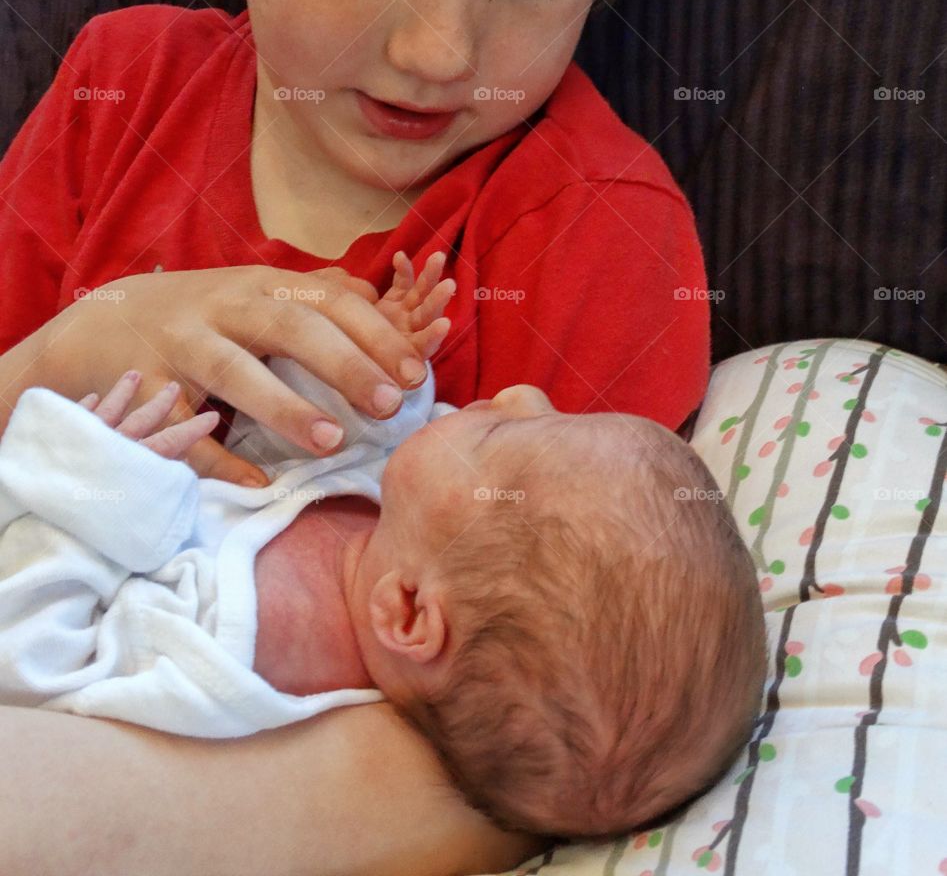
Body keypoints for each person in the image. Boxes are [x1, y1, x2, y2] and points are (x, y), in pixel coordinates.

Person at [0, 0, 735, 869]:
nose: (438, 49)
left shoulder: (592, 234)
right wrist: (75, 348)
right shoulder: (116, 95)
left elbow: (568, 728)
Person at [0, 257, 765, 844]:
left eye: (500, 433)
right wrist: (366, 387)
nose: (518, 394)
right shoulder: (394, 548)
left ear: (409, 613)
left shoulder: (240, 658)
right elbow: (295, 467)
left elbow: (32, 662)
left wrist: (88, 494)